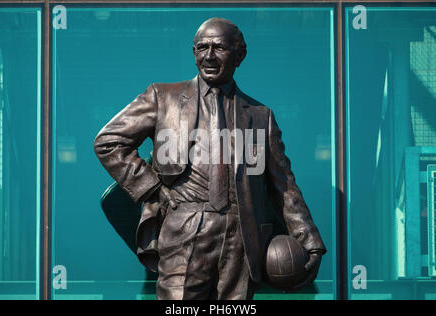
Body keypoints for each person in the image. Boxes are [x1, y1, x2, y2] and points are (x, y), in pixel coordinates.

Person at [94, 17, 326, 300]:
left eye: (219, 47)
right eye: (202, 47)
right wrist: (152, 188)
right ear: (194, 53)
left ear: (239, 54)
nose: (209, 56)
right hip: (184, 228)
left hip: (242, 238)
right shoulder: (162, 98)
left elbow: (284, 186)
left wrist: (309, 239)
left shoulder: (260, 116)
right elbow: (109, 141)